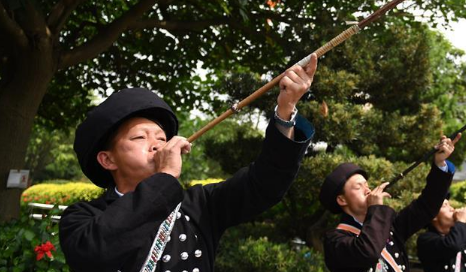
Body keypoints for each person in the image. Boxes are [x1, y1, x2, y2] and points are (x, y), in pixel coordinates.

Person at [59, 55, 318, 271]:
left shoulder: (200, 205)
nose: (157, 144)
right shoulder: (82, 218)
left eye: (162, 138)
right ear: (107, 159)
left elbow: (265, 183)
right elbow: (95, 252)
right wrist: (166, 177)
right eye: (140, 137)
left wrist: (286, 111)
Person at [319, 134, 459, 272]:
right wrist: (376, 208)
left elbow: (425, 207)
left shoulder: (389, 225)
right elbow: (367, 252)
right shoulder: (335, 240)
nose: (367, 190)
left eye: (367, 185)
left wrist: (440, 164)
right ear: (342, 199)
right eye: (358, 187)